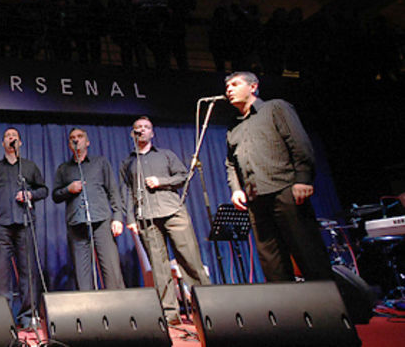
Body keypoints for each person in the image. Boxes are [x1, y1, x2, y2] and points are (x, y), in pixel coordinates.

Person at [224, 71, 332, 282]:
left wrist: (302, 178)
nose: (229, 90)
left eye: (235, 84)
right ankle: (287, 309)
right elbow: (230, 163)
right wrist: (236, 189)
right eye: (227, 87)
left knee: (307, 251)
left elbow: (299, 143)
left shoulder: (275, 108)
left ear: (253, 87)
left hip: (285, 190)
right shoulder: (234, 127)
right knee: (271, 259)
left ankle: (330, 309)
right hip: (255, 198)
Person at [120, 117, 210, 325]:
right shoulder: (128, 162)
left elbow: (184, 176)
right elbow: (126, 191)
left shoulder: (166, 155)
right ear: (133, 133)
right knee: (159, 269)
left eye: (146, 127)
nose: (142, 130)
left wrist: (162, 182)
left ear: (152, 132)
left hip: (172, 211)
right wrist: (130, 218)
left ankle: (205, 307)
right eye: (138, 128)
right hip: (147, 217)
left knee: (189, 260)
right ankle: (170, 314)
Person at [0, 128, 48, 328]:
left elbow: (44, 189)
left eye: (15, 137)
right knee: (2, 274)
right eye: (8, 137)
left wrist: (30, 195)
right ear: (3, 143)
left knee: (28, 271)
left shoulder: (29, 166)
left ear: (20, 143)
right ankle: (5, 319)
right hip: (1, 226)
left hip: (25, 224)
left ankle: (28, 317)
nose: (11, 139)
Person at [53, 128, 125, 290]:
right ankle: (89, 310)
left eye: (80, 137)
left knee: (111, 268)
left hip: (101, 220)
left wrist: (118, 217)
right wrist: (68, 189)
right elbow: (55, 195)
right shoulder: (64, 169)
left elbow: (113, 190)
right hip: (76, 223)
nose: (76, 140)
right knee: (81, 272)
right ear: (69, 144)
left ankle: (118, 308)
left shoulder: (100, 162)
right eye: (72, 138)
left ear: (87, 142)